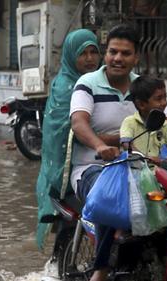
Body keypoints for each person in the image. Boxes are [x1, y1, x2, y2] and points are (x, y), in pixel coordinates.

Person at [70, 25, 167, 281]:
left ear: (136, 57)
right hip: (94, 166)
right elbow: (78, 123)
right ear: (105, 54)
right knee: (111, 198)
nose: (117, 58)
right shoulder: (87, 83)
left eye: (125, 53)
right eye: (112, 52)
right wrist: (101, 147)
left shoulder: (146, 87)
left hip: (145, 166)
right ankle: (100, 271)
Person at [33, 28, 100, 249]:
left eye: (94, 52)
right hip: (74, 167)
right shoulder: (65, 87)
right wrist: (108, 140)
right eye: (83, 53)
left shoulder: (103, 82)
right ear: (72, 56)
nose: (89, 59)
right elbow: (64, 130)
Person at [120, 76, 167, 160]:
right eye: (159, 99)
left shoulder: (164, 123)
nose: (164, 103)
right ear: (141, 104)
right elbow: (127, 144)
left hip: (156, 169)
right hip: (134, 168)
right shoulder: (129, 122)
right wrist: (146, 159)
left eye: (165, 97)